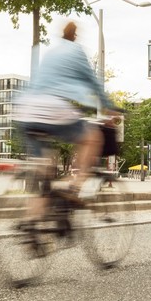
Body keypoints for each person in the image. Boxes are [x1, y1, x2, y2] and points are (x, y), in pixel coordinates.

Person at [14, 21, 119, 214]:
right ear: (75, 36)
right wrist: (108, 107)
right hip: (53, 108)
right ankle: (74, 187)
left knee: (44, 171)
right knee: (93, 138)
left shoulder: (50, 53)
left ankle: (31, 226)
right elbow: (92, 81)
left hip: (26, 109)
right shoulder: (76, 52)